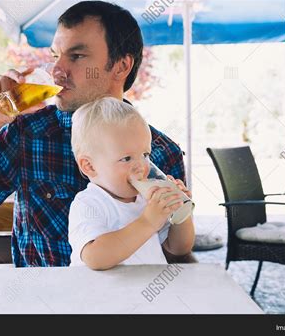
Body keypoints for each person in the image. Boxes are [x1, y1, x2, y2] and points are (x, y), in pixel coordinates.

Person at [0, 1, 191, 266]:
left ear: (121, 66)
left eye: (76, 57)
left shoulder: (162, 151)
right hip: (44, 304)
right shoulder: (26, 135)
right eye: (55, 56)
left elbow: (174, 252)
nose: (56, 71)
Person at [68, 97, 195, 269]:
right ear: (89, 166)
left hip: (147, 291)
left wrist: (180, 213)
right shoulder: (89, 203)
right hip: (102, 295)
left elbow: (178, 249)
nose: (141, 167)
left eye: (145, 155)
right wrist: (148, 222)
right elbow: (95, 258)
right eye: (126, 158)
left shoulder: (147, 199)